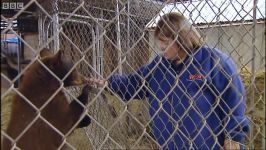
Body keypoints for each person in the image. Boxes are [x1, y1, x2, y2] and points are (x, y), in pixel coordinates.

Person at [90, 12, 250, 149]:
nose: (160, 47)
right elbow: (135, 83)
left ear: (182, 38)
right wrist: (109, 83)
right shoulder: (159, 66)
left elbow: (234, 98)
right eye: (159, 42)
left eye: (166, 43)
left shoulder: (212, 60)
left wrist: (233, 136)